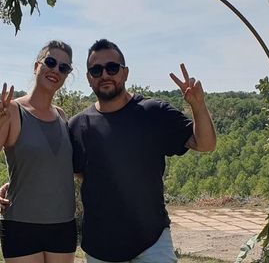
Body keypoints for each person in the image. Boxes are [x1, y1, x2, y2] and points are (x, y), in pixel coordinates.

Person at [68, 39, 217, 263]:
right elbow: (73, 173)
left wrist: (198, 105)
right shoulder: (78, 125)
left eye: (112, 68)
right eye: (96, 70)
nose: (105, 74)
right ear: (89, 78)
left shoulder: (154, 112)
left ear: (125, 73)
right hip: (101, 246)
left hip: (152, 241)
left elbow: (205, 144)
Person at [0, 40, 77, 263]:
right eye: (50, 62)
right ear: (36, 66)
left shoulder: (61, 115)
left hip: (63, 224)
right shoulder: (12, 110)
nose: (56, 70)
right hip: (21, 224)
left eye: (64, 67)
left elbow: (51, 165)